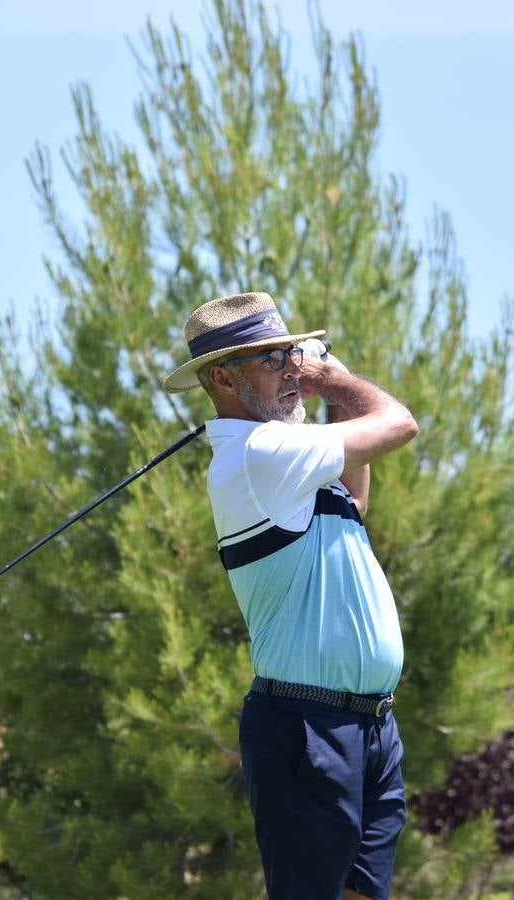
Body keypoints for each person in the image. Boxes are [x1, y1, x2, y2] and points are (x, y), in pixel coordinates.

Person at [164, 291, 419, 900]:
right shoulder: (256, 455)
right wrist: (334, 378)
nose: (293, 370)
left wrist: (322, 388)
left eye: (292, 354)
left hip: (370, 724)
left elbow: (354, 501)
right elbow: (397, 424)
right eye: (274, 359)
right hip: (308, 724)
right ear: (222, 377)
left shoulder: (289, 461)